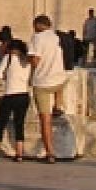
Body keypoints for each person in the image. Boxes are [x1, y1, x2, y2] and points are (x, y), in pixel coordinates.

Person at [28, 15, 65, 163]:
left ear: (36, 25)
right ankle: (58, 104)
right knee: (60, 84)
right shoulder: (55, 37)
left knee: (45, 120)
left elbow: (35, 60)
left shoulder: (37, 38)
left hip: (42, 81)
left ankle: (50, 152)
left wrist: (28, 59)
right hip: (58, 79)